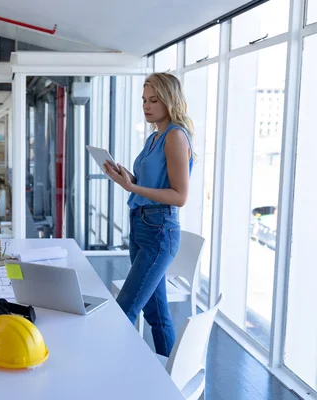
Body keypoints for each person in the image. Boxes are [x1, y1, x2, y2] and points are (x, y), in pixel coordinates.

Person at [103, 72, 194, 357]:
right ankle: (169, 382)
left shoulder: (175, 137)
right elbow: (147, 184)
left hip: (159, 230)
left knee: (125, 310)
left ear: (170, 100)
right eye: (144, 100)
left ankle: (114, 378)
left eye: (154, 100)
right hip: (141, 226)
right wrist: (125, 179)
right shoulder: (154, 136)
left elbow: (179, 196)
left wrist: (132, 186)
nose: (146, 106)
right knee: (156, 314)